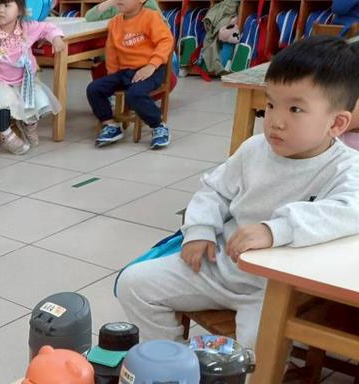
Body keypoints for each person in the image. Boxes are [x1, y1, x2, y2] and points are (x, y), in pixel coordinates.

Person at [116, 35, 359, 352]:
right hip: (216, 267)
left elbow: (348, 212)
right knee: (133, 283)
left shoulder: (346, 168)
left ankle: (241, 383)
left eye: (295, 109)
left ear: (336, 123)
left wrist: (275, 230)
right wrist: (199, 229)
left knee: (259, 347)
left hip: (273, 290)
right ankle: (172, 359)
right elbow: (214, 189)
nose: (276, 121)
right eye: (270, 105)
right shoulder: (254, 148)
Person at [0, 0, 67, 153]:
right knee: (3, 102)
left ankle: (28, 125)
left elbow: (47, 28)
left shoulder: (27, 28)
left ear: (19, 10)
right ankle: (6, 133)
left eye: (6, 5)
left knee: (37, 99)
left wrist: (55, 38)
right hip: (1, 82)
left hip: (25, 81)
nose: (1, 10)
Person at [87, 0, 174, 150]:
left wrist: (152, 65)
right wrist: (112, 77)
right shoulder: (115, 22)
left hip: (152, 69)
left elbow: (166, 41)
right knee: (94, 89)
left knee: (134, 94)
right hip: (125, 71)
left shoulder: (151, 17)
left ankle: (158, 125)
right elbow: (111, 52)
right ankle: (110, 125)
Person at [85, 0, 160, 21]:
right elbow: (89, 17)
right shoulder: (117, 6)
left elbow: (163, 28)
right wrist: (112, 1)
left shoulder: (148, 5)